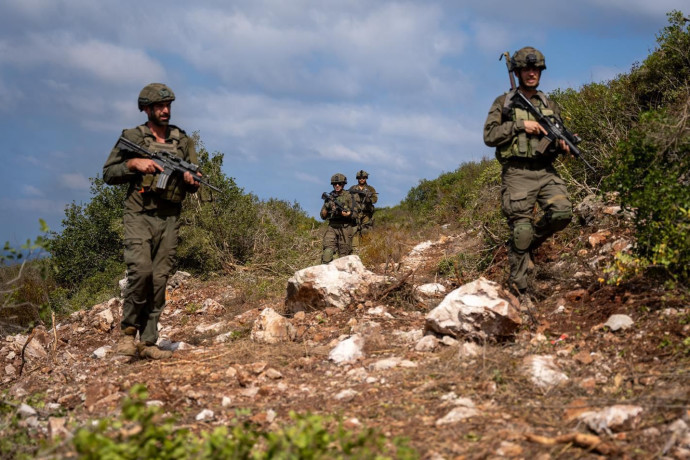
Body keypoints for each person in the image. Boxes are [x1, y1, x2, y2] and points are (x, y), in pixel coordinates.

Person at [103, 83, 200, 360]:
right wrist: (134, 165)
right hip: (139, 215)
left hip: (169, 216)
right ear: (146, 109)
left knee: (159, 279)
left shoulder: (182, 141)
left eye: (168, 105)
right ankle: (127, 335)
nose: (165, 110)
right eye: (159, 106)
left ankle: (148, 342)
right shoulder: (132, 137)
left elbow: (194, 182)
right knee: (141, 272)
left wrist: (192, 181)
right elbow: (108, 174)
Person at [483, 47, 573, 307]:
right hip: (517, 173)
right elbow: (489, 137)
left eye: (536, 69)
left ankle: (525, 245)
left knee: (562, 213)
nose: (532, 73)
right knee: (520, 227)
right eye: (526, 69)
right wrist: (521, 126)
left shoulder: (548, 104)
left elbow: (558, 135)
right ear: (518, 72)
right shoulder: (505, 103)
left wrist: (563, 145)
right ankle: (520, 290)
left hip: (545, 171)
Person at [320, 173, 354, 263]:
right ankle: (325, 273)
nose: (337, 185)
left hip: (345, 227)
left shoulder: (349, 196)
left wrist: (348, 214)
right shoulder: (330, 197)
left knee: (344, 256)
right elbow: (322, 216)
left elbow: (355, 213)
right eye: (335, 184)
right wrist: (327, 208)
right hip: (332, 226)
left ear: (343, 184)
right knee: (327, 252)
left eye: (339, 183)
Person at [348, 170, 378, 239]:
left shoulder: (370, 189)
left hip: (366, 214)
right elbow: (348, 198)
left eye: (363, 178)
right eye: (360, 178)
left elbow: (375, 199)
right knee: (354, 231)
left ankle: (365, 247)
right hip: (355, 213)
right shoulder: (353, 188)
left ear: (366, 178)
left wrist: (369, 199)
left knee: (365, 231)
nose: (361, 179)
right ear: (357, 179)